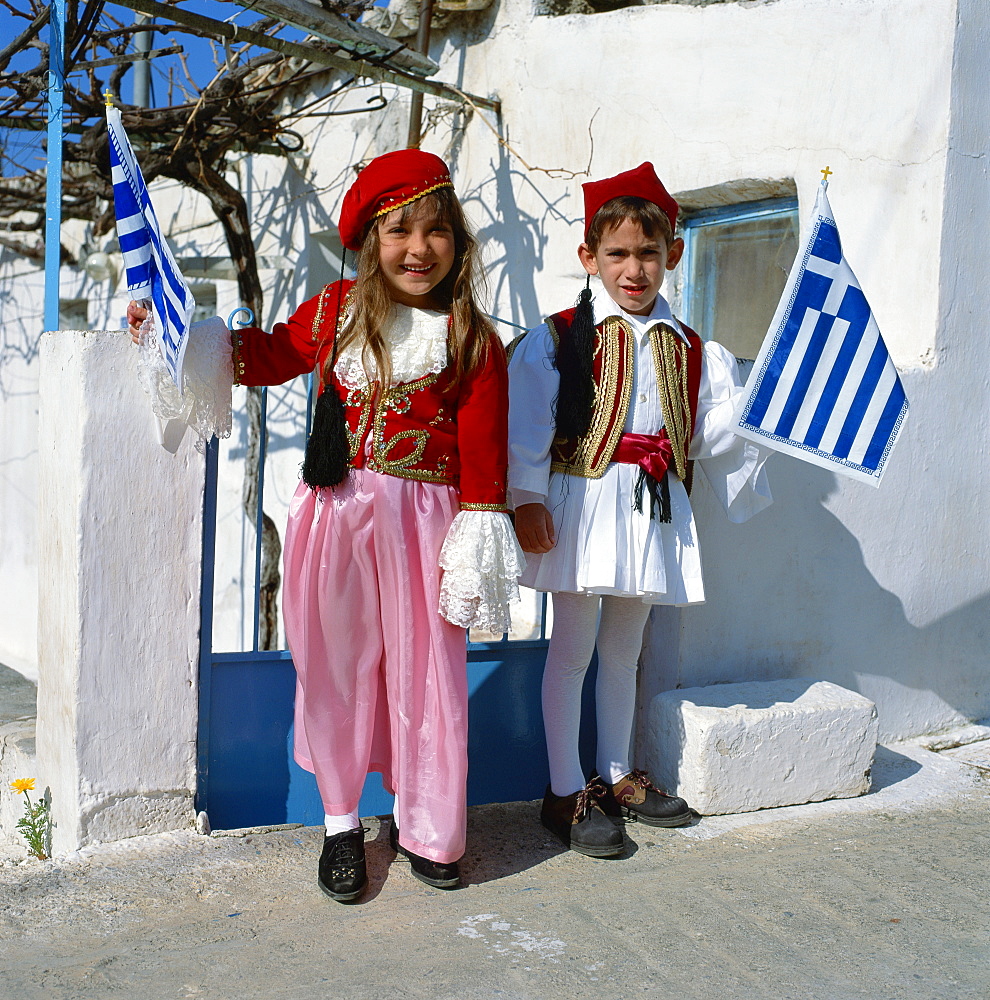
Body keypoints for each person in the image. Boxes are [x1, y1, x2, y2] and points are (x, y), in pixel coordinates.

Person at [129, 149, 522, 899]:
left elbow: (485, 453)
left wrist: (479, 528)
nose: (419, 248)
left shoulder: (474, 339)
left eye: (437, 231)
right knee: (333, 668)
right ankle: (341, 823)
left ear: (458, 242)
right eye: (400, 231)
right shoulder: (336, 311)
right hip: (336, 513)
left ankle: (429, 829)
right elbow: (266, 355)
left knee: (428, 671)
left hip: (424, 524)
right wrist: (168, 337)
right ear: (372, 240)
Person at [508, 162, 772, 857]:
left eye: (648, 253)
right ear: (589, 258)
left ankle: (618, 774)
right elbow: (528, 424)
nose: (635, 268)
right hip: (582, 504)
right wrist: (525, 497)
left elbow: (710, 434)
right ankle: (565, 789)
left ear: (672, 256)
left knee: (625, 649)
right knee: (571, 649)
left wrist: (758, 409)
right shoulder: (560, 336)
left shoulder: (692, 349)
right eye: (618, 253)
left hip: (651, 510)